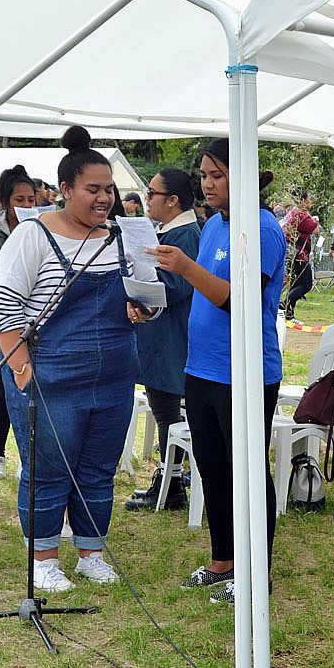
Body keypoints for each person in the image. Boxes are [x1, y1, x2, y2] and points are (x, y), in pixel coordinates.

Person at [0, 126, 139, 593]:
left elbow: (142, 295)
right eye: (93, 190)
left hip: (113, 373)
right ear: (65, 190)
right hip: (48, 373)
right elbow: (0, 304)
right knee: (48, 469)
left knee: (98, 466)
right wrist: (22, 370)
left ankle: (92, 552)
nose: (103, 199)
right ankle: (44, 559)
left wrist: (143, 306)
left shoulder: (119, 237)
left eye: (109, 189)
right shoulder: (32, 235)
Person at [150, 138, 287, 606]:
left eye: (218, 176)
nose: (208, 185)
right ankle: (223, 560)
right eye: (205, 176)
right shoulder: (212, 228)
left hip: (244, 372)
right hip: (202, 367)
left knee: (246, 472)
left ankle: (256, 573)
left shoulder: (263, 230)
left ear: (244, 177)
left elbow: (239, 300)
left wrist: (186, 268)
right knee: (212, 469)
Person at [123, 168, 201, 512]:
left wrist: (139, 289)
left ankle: (171, 482)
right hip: (159, 335)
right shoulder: (170, 230)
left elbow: (176, 287)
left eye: (152, 193)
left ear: (173, 200)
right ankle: (167, 479)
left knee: (170, 412)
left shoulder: (186, 235)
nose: (146, 199)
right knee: (164, 408)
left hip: (173, 336)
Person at [0, 165, 39, 479]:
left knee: (33, 391)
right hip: (4, 324)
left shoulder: (44, 227)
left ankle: (32, 457)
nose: (27, 205)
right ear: (4, 201)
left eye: (31, 199)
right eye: (20, 199)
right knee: (5, 388)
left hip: (39, 324)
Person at [280, 190, 318, 320]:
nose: (311, 201)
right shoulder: (301, 215)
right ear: (302, 200)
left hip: (293, 253)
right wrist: (313, 219)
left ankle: (289, 314)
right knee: (306, 284)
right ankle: (284, 306)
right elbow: (315, 228)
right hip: (299, 254)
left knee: (296, 283)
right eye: (309, 199)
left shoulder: (293, 212)